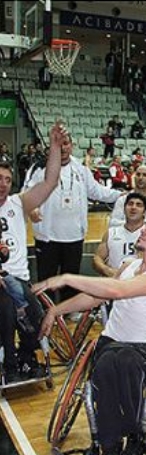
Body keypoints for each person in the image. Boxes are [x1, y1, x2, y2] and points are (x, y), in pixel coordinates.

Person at [37, 214, 146, 455]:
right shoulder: (128, 265)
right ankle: (110, 445)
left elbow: (119, 291)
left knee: (125, 360)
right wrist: (55, 310)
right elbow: (95, 298)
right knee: (105, 363)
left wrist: (66, 278)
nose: (145, 229)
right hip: (112, 342)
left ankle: (137, 439)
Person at [25, 131, 122, 303]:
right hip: (47, 237)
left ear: (72, 146)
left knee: (71, 277)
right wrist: (32, 208)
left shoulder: (81, 169)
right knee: (45, 278)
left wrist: (121, 195)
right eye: (58, 144)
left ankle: (69, 310)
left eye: (66, 143)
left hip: (74, 236)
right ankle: (45, 310)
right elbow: (26, 194)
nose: (63, 147)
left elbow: (97, 191)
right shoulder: (39, 168)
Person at [0, 122, 63, 382]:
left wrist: (55, 147)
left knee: (33, 313)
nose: (3, 184)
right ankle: (11, 359)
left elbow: (50, 182)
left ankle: (25, 356)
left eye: (7, 179)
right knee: (4, 312)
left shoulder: (19, 202)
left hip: (18, 277)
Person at [93, 193, 146, 277]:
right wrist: (105, 269)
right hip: (114, 282)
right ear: (124, 209)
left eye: (139, 205)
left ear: (145, 212)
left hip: (141, 282)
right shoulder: (112, 232)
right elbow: (97, 258)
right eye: (130, 204)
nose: (133, 207)